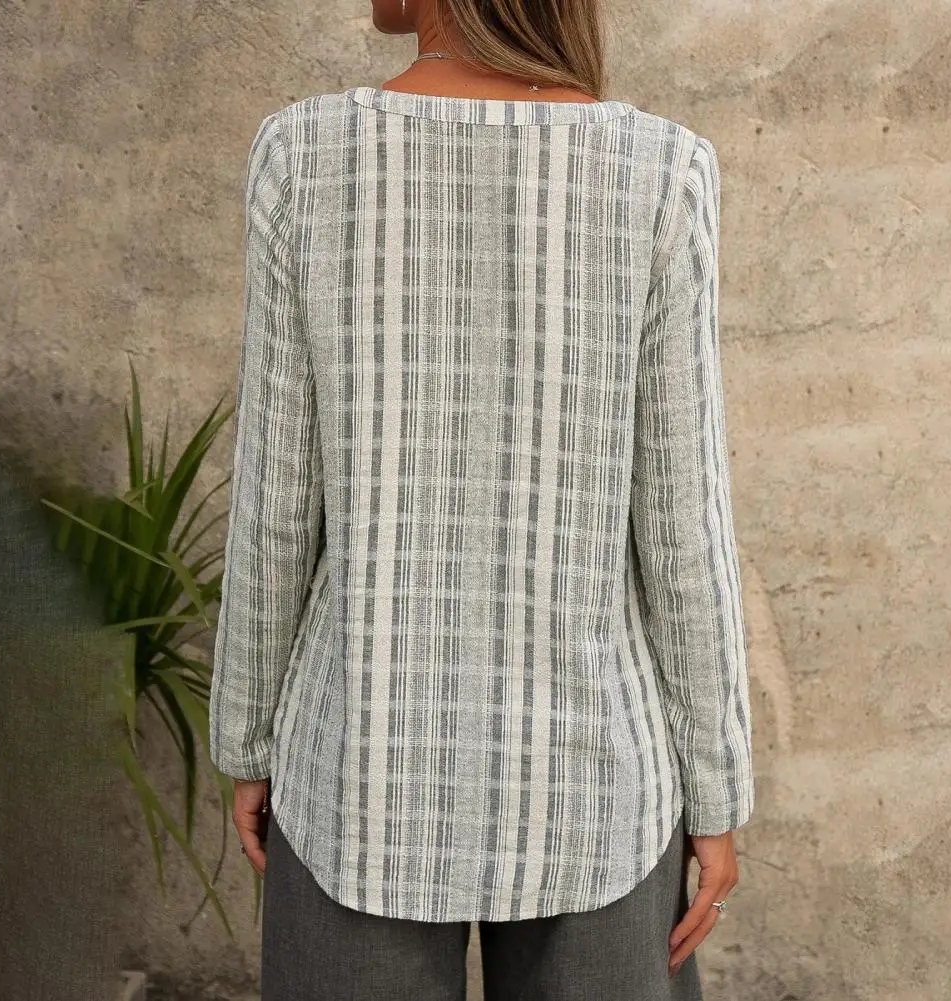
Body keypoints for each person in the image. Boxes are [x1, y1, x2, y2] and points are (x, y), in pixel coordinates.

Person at [208, 0, 755, 998]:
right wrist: (714, 790)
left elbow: (276, 501)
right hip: (595, 776)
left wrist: (246, 736)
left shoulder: (303, 157)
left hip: (357, 765)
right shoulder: (659, 171)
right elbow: (683, 528)